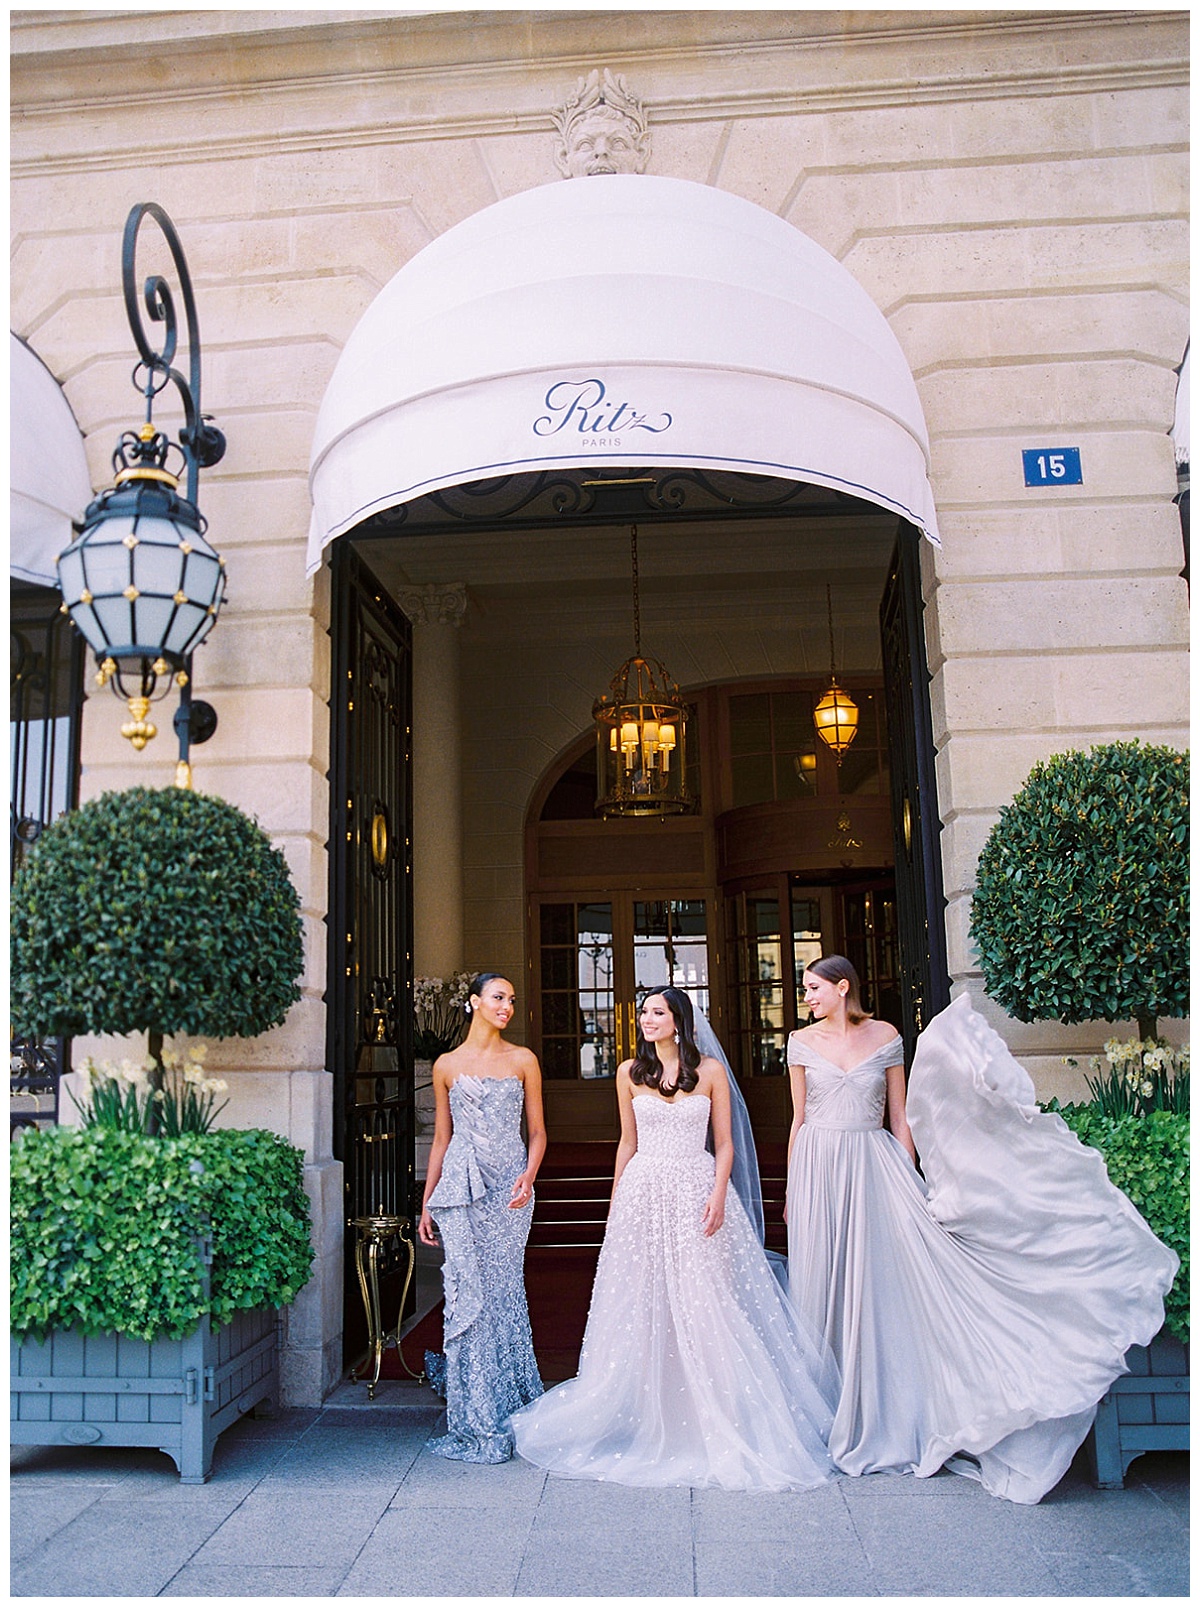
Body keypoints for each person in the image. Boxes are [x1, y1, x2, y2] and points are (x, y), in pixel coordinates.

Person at [785, 954, 1179, 1504]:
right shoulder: (800, 1043)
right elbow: (799, 1119)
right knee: (824, 1283)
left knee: (885, 1286)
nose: (805, 996)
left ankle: (889, 1407)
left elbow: (900, 1120)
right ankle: (828, 1407)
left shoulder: (887, 1035)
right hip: (819, 1169)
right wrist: (794, 1193)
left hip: (877, 1169)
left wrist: (913, 1180)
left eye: (812, 987)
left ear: (841, 987)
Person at [510, 986, 839, 1493]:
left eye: (657, 1012)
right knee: (644, 1300)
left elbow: (724, 1143)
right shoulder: (627, 1073)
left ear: (679, 1020)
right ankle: (651, 1411)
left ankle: (716, 1412)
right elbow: (628, 1141)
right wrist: (618, 1198)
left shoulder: (708, 1072)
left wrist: (718, 1195)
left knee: (705, 1299)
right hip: (645, 1189)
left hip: (695, 1186)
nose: (646, 1020)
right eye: (644, 1013)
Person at [418, 972, 546, 1463]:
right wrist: (428, 1201)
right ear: (474, 1002)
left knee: (502, 1291)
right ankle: (474, 1413)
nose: (506, 1006)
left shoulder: (523, 1060)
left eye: (511, 1000)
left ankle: (510, 1398)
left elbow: (538, 1132)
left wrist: (529, 1175)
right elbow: (442, 1139)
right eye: (498, 998)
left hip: (511, 1190)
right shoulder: (446, 1065)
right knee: (468, 1294)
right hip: (463, 1190)